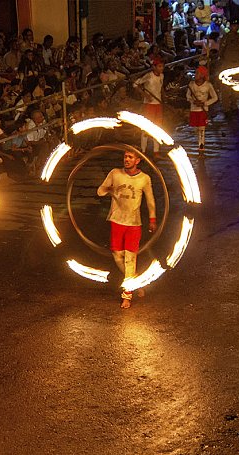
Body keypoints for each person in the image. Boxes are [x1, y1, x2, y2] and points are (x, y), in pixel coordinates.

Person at [97, 150, 157, 309]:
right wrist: (110, 190)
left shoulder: (144, 178)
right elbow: (100, 191)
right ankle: (135, 280)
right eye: (125, 156)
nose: (127, 159)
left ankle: (127, 295)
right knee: (117, 257)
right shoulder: (115, 173)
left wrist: (152, 219)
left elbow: (150, 200)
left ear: (137, 160)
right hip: (116, 220)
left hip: (134, 223)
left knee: (130, 259)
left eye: (130, 157)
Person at [134, 58, 165, 158]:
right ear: (154, 67)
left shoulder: (162, 76)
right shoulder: (148, 76)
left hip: (158, 104)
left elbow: (161, 88)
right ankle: (143, 151)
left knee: (157, 127)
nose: (161, 68)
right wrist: (145, 95)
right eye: (159, 66)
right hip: (149, 105)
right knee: (146, 127)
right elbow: (135, 84)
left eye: (162, 66)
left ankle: (156, 151)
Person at [186, 66, 218, 154]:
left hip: (203, 110)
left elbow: (215, 97)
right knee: (196, 129)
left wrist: (205, 103)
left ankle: (201, 146)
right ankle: (200, 142)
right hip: (194, 109)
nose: (195, 75)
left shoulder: (208, 85)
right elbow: (188, 96)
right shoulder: (191, 84)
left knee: (202, 128)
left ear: (202, 75)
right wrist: (193, 101)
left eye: (197, 73)